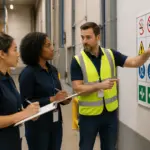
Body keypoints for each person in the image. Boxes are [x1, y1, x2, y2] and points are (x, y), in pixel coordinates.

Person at [70, 22, 150, 150]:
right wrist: (99, 85)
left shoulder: (110, 54)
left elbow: (135, 62)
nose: (84, 41)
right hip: (88, 116)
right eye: (82, 37)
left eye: (88, 37)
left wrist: (147, 53)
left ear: (98, 37)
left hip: (110, 114)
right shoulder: (77, 60)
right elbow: (78, 88)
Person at [19, 32, 71, 150]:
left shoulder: (53, 70)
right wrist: (52, 99)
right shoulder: (28, 74)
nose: (52, 48)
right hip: (38, 128)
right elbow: (26, 103)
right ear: (37, 49)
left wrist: (64, 99)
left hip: (56, 124)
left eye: (51, 44)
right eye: (48, 45)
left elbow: (57, 93)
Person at [0, 32, 40, 150]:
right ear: (2, 53)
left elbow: (11, 109)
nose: (18, 55)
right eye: (15, 50)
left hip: (13, 141)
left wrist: (29, 113)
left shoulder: (7, 78)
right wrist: (23, 114)